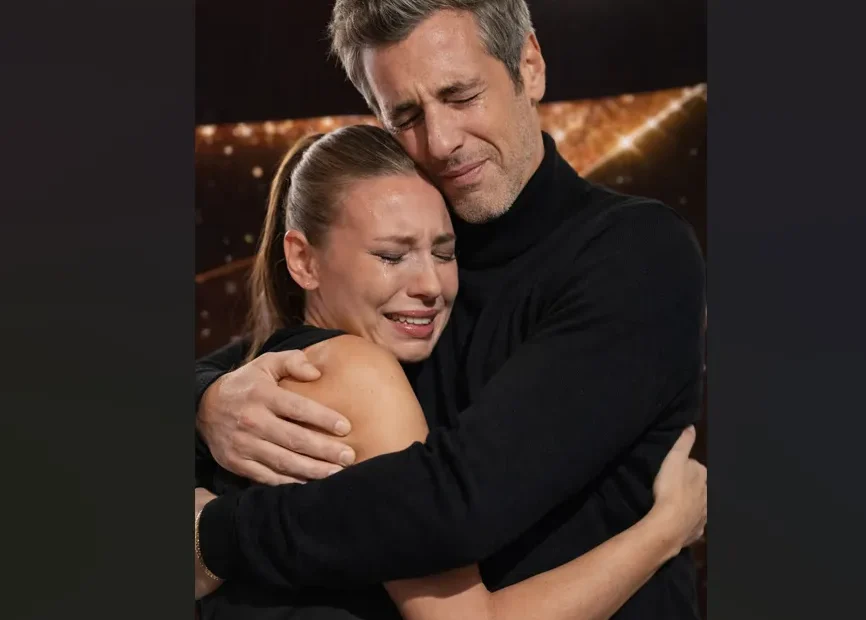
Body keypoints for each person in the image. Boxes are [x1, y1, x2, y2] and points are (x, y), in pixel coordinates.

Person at [195, 1, 707, 617]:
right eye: (406, 116)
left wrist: (217, 537)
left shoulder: (634, 253)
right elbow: (255, 356)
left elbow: (461, 502)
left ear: (530, 66)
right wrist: (204, 400)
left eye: (461, 96)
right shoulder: (392, 285)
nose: (440, 142)